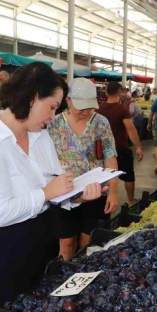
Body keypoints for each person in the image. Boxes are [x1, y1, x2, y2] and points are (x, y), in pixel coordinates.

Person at [0, 62, 106, 308]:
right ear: (31, 98)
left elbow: (54, 187)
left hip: (41, 239)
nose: (53, 117)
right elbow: (0, 213)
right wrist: (47, 192)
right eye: (51, 107)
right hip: (2, 248)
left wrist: (79, 195)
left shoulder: (39, 137)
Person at [48, 78, 119, 259]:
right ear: (69, 101)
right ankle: (64, 277)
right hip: (64, 194)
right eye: (82, 107)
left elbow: (110, 157)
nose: (87, 112)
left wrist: (113, 192)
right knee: (66, 242)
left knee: (89, 242)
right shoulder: (53, 124)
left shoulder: (101, 123)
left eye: (90, 107)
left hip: (96, 191)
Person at [97, 82, 144, 205]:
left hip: (103, 150)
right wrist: (138, 147)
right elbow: (130, 129)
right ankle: (130, 201)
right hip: (121, 148)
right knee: (128, 175)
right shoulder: (122, 109)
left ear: (106, 92)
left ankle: (106, 199)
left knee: (105, 176)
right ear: (120, 93)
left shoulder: (99, 108)